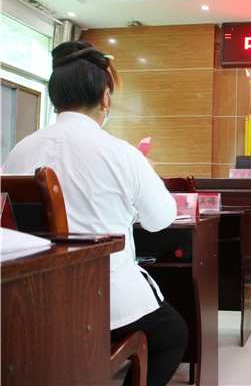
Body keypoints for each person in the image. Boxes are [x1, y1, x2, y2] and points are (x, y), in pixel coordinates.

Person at [3, 40, 187, 386]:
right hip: (102, 300)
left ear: (56, 96)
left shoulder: (20, 150)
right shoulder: (121, 153)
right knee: (174, 336)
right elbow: (160, 220)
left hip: (31, 301)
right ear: (105, 97)